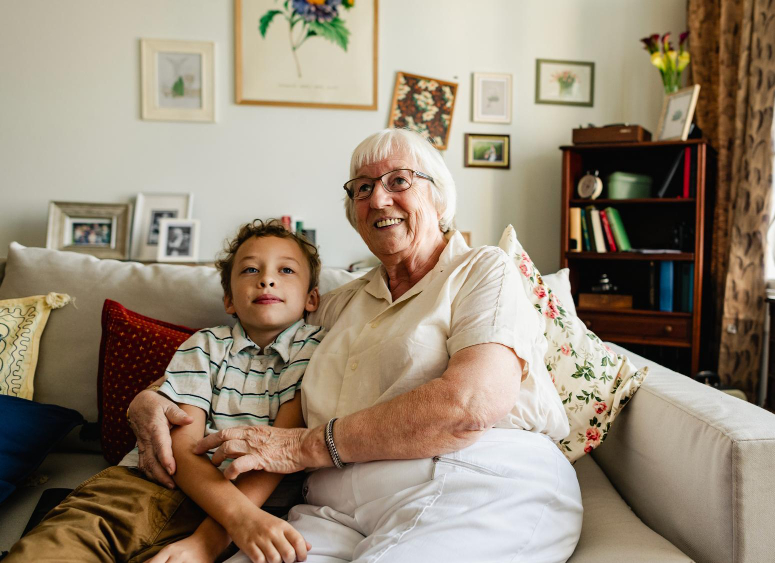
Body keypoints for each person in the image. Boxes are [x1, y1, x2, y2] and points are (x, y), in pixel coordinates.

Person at [127, 128, 583, 563]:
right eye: (362, 189)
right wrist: (150, 396)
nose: (378, 198)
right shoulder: (336, 304)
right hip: (333, 509)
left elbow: (468, 407)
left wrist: (303, 447)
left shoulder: (482, 270)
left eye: (398, 180)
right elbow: (251, 348)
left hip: (471, 480)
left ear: (438, 196)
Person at [7, 220, 326, 563]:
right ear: (229, 300)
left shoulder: (318, 352)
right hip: (151, 488)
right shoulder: (205, 344)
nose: (266, 278)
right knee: (54, 547)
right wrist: (240, 520)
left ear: (312, 299)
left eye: (286, 270)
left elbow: (277, 453)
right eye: (250, 269)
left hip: (257, 507)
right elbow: (182, 445)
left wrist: (220, 534)